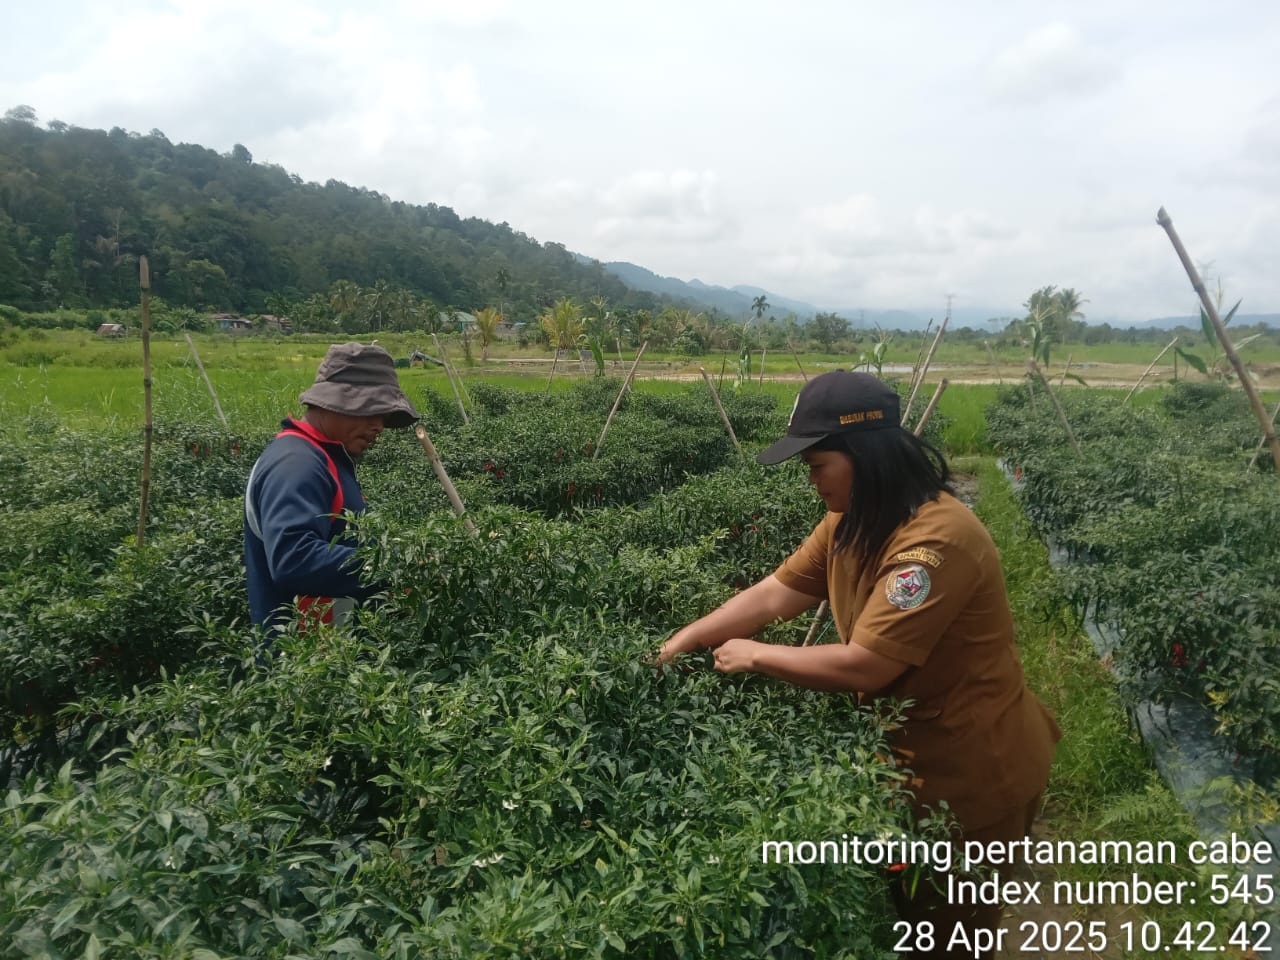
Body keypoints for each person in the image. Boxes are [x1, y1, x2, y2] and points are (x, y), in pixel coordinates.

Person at [656, 370, 1060, 959]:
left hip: (971, 775)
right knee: (909, 913)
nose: (813, 480)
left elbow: (867, 665)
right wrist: (685, 639)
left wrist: (756, 655)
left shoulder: (935, 543)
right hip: (907, 763)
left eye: (819, 464)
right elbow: (776, 593)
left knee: (947, 937)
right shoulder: (853, 519)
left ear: (866, 456)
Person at [244, 342, 419, 635]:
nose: (379, 426)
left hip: (334, 653)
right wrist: (397, 562)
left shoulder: (325, 458)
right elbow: (294, 559)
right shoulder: (297, 463)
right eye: (369, 411)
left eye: (384, 416)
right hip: (306, 665)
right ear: (333, 403)